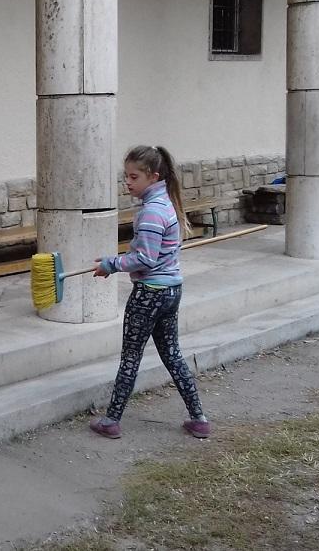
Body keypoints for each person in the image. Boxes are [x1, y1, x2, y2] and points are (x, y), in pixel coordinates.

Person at [89, 145, 211, 439]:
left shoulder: (152, 212)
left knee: (131, 358)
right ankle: (199, 419)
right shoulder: (165, 203)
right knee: (172, 354)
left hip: (149, 294)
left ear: (153, 177)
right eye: (126, 176)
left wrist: (111, 264)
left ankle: (111, 421)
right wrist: (116, 262)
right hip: (171, 291)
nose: (127, 182)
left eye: (134, 177)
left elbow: (145, 259)